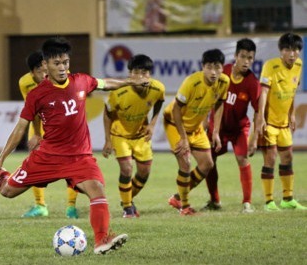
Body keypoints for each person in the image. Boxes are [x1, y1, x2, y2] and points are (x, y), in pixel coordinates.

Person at [0, 37, 149, 254]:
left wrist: (130, 81)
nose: (63, 68)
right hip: (48, 156)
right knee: (8, 192)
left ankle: (101, 240)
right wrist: (1, 159)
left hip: (80, 157)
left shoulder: (81, 81)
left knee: (97, 190)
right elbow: (19, 128)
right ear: (45, 65)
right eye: (57, 63)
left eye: (65, 62)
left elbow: (106, 83)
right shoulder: (37, 94)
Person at [164, 49, 230, 216]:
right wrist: (184, 138)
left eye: (217, 67)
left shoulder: (224, 82)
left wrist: (215, 132)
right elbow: (176, 110)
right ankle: (184, 207)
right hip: (175, 124)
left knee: (207, 164)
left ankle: (178, 196)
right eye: (209, 67)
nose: (213, 72)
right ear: (203, 67)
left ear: (223, 68)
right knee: (185, 164)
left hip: (196, 127)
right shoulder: (191, 82)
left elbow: (220, 104)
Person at [18, 50, 80, 218]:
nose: (45, 73)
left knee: (72, 164)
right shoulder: (25, 83)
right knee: (35, 164)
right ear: (32, 72)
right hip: (41, 124)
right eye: (40, 71)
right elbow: (34, 110)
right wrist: (37, 133)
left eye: (46, 68)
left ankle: (71, 207)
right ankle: (40, 206)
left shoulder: (64, 75)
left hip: (62, 124)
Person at [102, 54, 165, 218]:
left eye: (145, 72)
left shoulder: (157, 88)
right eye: (137, 72)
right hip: (120, 134)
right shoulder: (118, 92)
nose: (142, 76)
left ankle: (126, 199)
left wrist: (152, 124)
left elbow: (159, 102)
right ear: (130, 74)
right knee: (127, 168)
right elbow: (107, 114)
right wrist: (108, 140)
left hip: (140, 134)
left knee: (144, 171)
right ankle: (128, 208)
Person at [202, 38, 260, 213]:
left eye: (250, 58)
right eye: (243, 56)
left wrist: (254, 138)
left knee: (242, 159)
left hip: (239, 128)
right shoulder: (223, 71)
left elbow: (258, 111)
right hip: (217, 126)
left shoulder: (252, 83)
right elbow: (208, 95)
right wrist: (205, 120)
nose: (247, 61)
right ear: (235, 56)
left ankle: (247, 203)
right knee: (209, 162)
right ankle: (214, 201)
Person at [255, 33, 307, 211]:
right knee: (270, 158)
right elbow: (262, 93)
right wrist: (260, 118)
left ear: (300, 51)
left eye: (295, 50)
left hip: (284, 122)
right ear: (281, 51)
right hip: (269, 122)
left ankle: (287, 198)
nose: (292, 54)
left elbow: (291, 91)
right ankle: (269, 202)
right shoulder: (271, 66)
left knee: (288, 157)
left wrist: (292, 114)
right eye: (287, 50)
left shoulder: (299, 65)